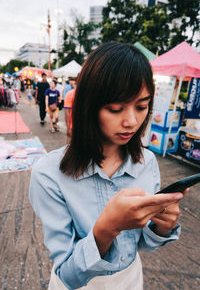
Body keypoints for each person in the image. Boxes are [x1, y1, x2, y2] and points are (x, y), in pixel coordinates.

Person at [29, 42, 188, 290]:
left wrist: (161, 226)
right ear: (89, 106)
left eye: (142, 106)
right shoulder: (49, 174)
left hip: (131, 280)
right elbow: (67, 274)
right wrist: (106, 228)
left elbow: (141, 244)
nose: (131, 121)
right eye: (116, 108)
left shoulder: (147, 163)